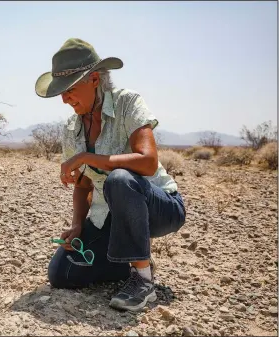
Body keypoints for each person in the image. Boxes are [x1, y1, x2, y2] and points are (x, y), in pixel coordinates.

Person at [34, 38, 186, 311]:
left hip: (159, 206)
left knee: (120, 179)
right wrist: (78, 225)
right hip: (111, 214)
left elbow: (148, 162)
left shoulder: (128, 102)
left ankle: (142, 280)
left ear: (94, 79)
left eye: (69, 89)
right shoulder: (71, 127)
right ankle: (126, 262)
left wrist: (88, 157)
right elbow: (83, 184)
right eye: (60, 91)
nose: (64, 98)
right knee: (62, 273)